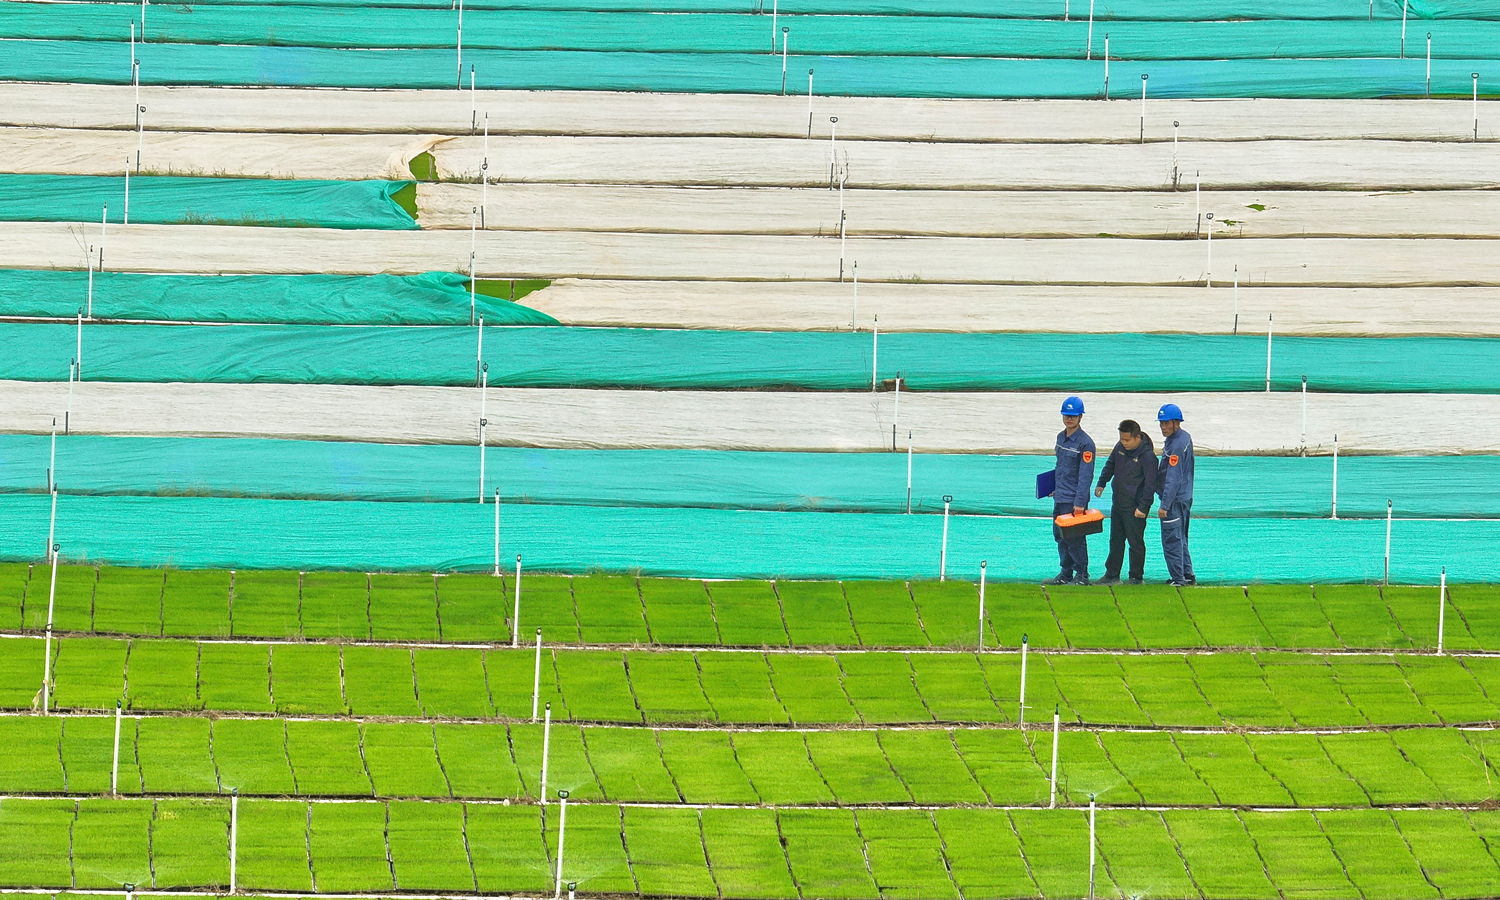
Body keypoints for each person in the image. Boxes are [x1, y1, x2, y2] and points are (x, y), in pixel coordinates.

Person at [1093, 419, 1157, 585]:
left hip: (1135, 508)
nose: (1124, 443)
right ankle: (1112, 575)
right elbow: (1110, 464)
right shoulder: (1120, 447)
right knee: (1115, 540)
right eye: (1122, 439)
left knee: (1135, 543)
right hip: (1118, 504)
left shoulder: (1148, 457)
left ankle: (1136, 577)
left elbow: (1150, 485)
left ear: (1137, 438)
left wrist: (1143, 507)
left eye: (1127, 440)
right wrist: (1102, 482)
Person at [1048, 396, 1096, 585]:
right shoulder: (1061, 437)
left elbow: (1086, 476)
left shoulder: (1085, 444)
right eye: (1066, 415)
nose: (1069, 419)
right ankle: (1066, 572)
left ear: (1080, 417)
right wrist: (1053, 487)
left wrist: (1079, 503)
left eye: (1073, 416)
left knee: (1075, 539)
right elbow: (1060, 466)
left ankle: (1082, 575)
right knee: (1060, 536)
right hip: (1060, 497)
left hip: (1073, 500)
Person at [1156, 403, 1196, 586]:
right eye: (1161, 423)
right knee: (1181, 537)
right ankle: (1187, 574)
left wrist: (1165, 505)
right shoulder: (1182, 438)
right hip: (1184, 497)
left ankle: (1178, 579)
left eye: (1166, 423)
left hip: (1175, 500)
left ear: (1176, 423)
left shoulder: (1177, 446)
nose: (1163, 427)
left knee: (1172, 539)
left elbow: (1173, 477)